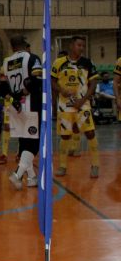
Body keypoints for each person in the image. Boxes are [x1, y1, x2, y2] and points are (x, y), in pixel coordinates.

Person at [51, 36, 100, 178]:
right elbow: (52, 81)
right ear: (71, 45)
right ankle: (62, 166)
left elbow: (94, 83)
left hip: (82, 105)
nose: (82, 48)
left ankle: (95, 165)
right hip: (64, 106)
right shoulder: (59, 62)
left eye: (83, 46)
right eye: (79, 45)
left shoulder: (87, 63)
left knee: (90, 133)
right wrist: (61, 90)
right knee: (65, 136)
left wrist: (83, 100)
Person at [3, 36, 44, 189]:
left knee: (24, 143)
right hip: (31, 106)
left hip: (16, 107)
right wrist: (25, 90)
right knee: (33, 145)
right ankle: (17, 174)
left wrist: (14, 96)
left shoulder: (6, 62)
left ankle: (32, 178)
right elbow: (38, 78)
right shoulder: (32, 58)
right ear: (26, 46)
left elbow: (3, 86)